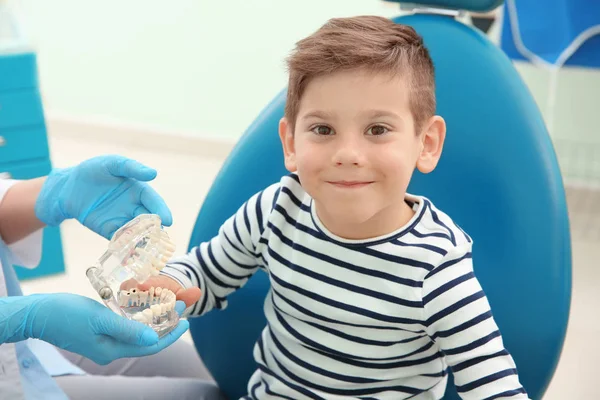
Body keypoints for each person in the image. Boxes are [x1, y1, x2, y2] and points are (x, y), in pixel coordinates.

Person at [134, 16, 531, 400]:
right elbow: (205, 273)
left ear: (426, 144)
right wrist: (168, 286)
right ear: (291, 143)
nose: (348, 154)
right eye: (323, 130)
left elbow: (493, 384)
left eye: (377, 130)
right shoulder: (276, 210)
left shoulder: (436, 266)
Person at [0, 155, 223, 400]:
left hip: (26, 346)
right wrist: (20, 318)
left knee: (205, 371)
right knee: (203, 396)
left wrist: (58, 192)